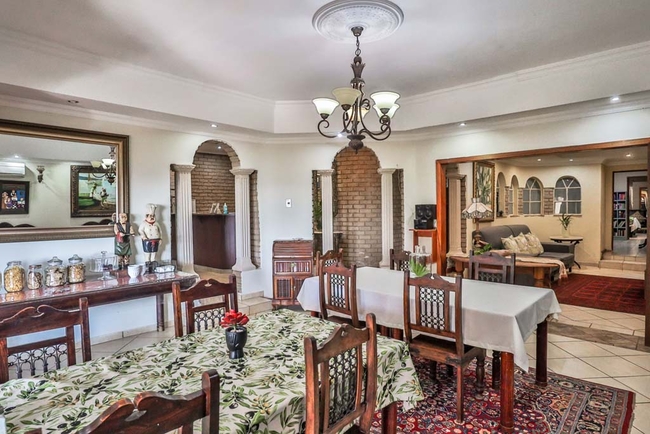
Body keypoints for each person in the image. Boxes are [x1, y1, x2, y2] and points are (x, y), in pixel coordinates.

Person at [138, 203, 163, 272]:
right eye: (150, 216)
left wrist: (160, 238)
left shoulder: (156, 223)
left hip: (156, 240)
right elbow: (140, 231)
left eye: (153, 216)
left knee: (154, 253)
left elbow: (160, 231)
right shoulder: (144, 224)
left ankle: (153, 267)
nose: (152, 217)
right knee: (147, 253)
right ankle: (148, 267)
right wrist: (143, 237)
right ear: (146, 216)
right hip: (147, 241)